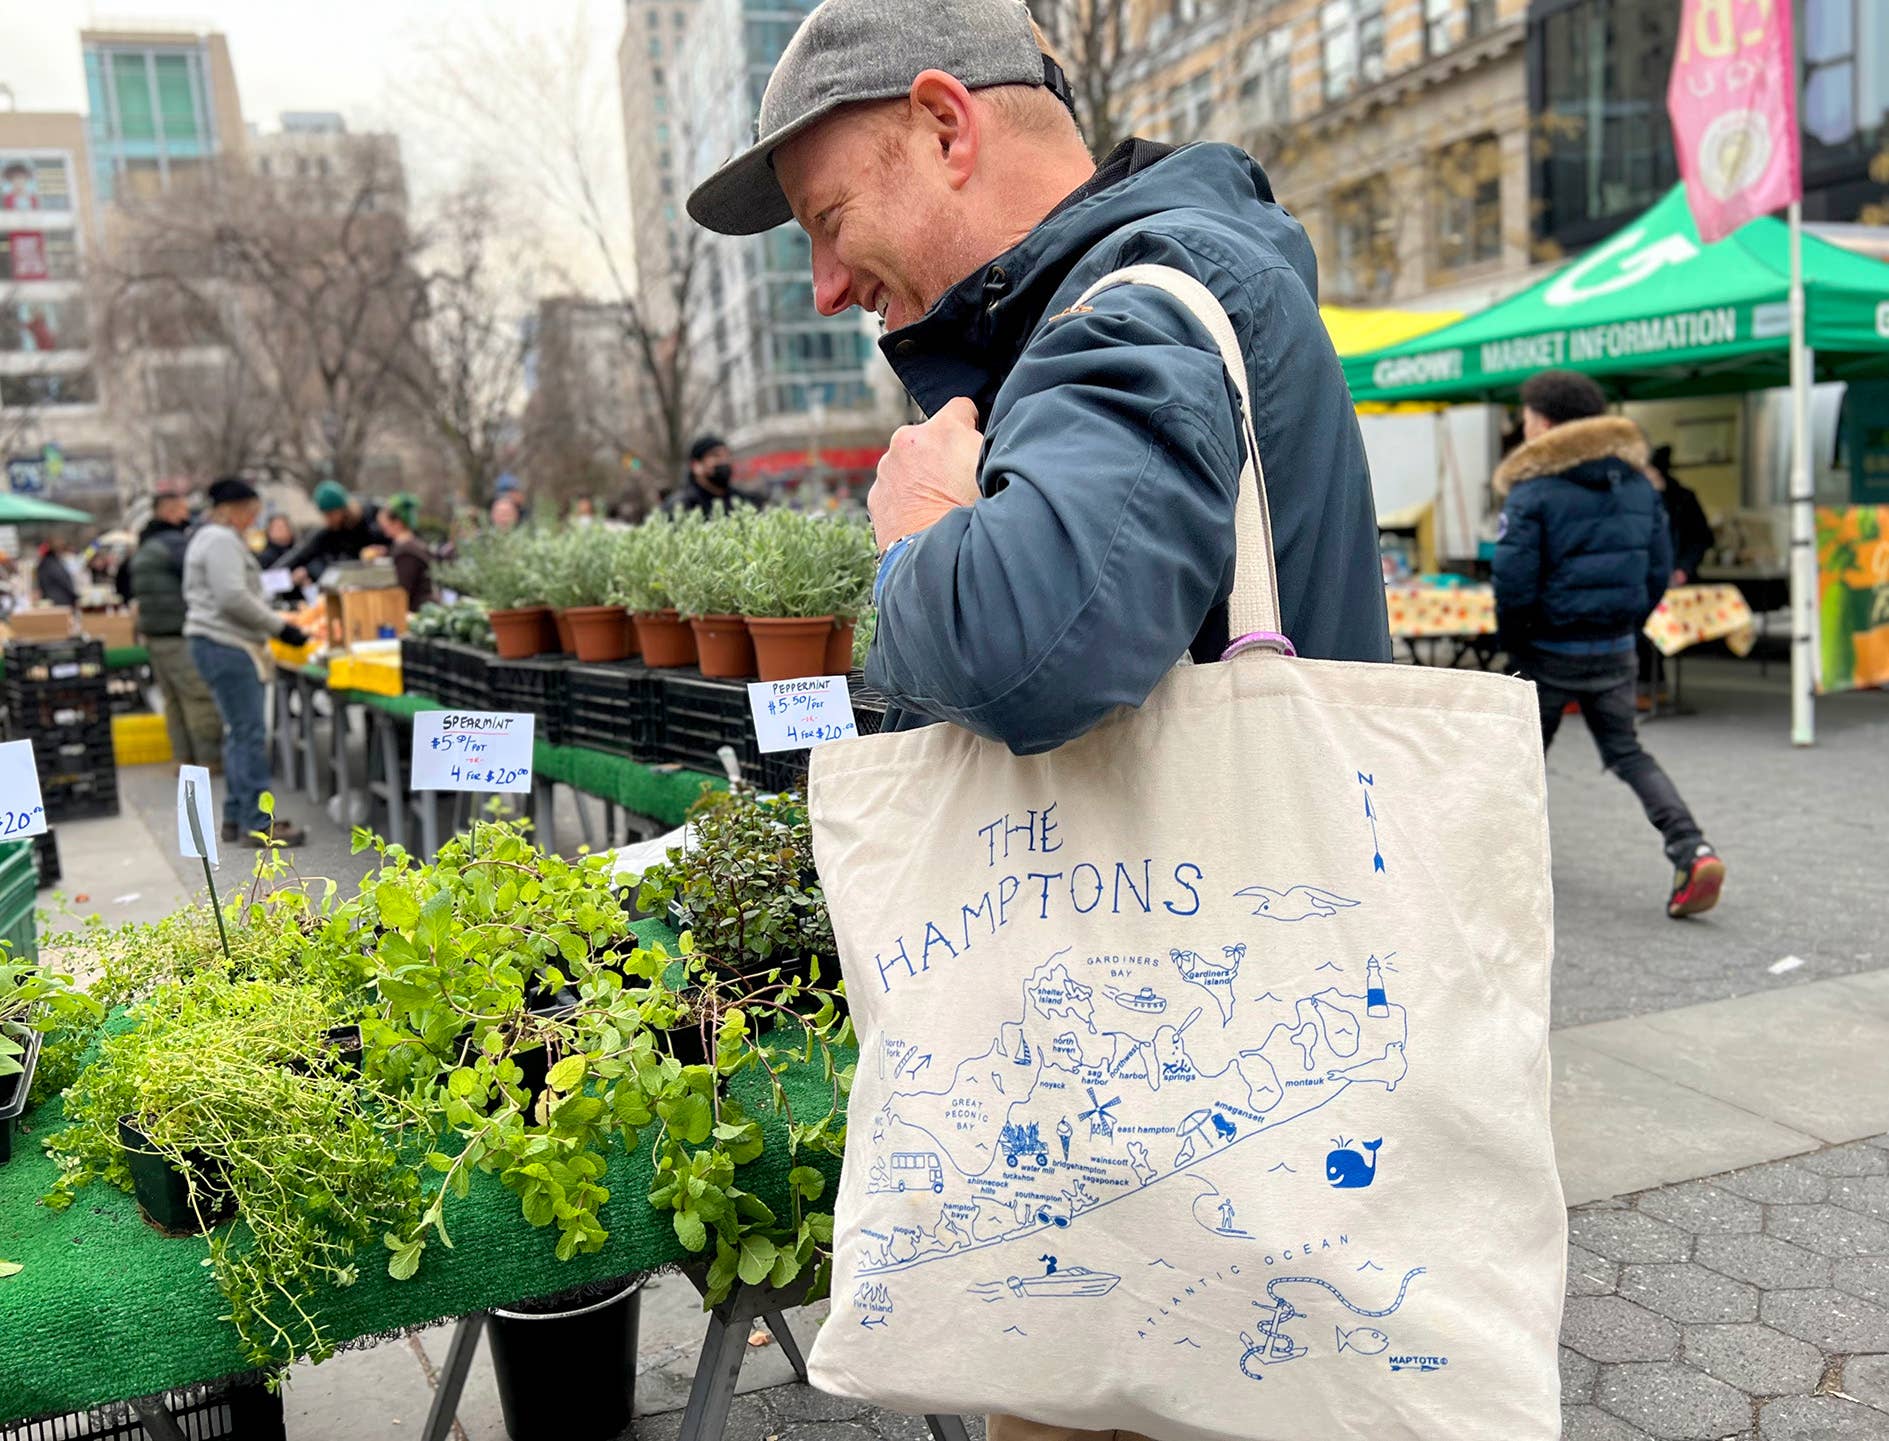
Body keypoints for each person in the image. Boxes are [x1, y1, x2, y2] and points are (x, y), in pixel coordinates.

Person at [686, 0, 1387, 769]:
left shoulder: (1142, 302)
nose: (825, 287)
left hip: (1210, 885)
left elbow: (1025, 654)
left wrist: (917, 524)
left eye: (829, 219)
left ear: (945, 128)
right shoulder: (1111, 307)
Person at [1492, 370, 1724, 919]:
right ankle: (1692, 848)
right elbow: (1657, 571)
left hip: (1546, 650)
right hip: (1615, 648)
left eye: (1526, 416)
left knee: (1516, 760)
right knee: (1627, 752)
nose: (1522, 426)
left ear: (1545, 421)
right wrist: (1625, 626)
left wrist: (1515, 644)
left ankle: (1493, 869)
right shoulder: (1638, 485)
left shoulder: (1533, 490)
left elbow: (1514, 582)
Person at [184, 477, 310, 848]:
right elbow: (232, 597)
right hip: (229, 644)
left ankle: (237, 817)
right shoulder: (221, 540)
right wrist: (279, 628)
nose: (255, 519)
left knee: (239, 733)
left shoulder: (208, 537)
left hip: (215, 642)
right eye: (252, 512)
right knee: (250, 735)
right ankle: (258, 823)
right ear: (234, 509)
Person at [128, 484, 224, 769]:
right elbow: (201, 574)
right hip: (178, 633)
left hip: (155, 634)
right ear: (169, 512)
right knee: (198, 697)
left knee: (173, 702)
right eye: (182, 509)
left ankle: (183, 759)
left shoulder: (145, 544)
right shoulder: (174, 543)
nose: (188, 515)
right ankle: (208, 760)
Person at [279, 480, 389, 586]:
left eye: (331, 514)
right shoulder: (328, 532)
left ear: (343, 509)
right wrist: (273, 575)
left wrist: (385, 550)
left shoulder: (371, 516)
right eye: (325, 515)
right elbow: (300, 554)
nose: (328, 519)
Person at [1648, 444, 1715, 587]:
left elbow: (1701, 538)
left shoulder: (1683, 499)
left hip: (1680, 581)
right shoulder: (1632, 502)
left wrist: (1684, 569)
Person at [665, 436, 760, 516]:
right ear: (696, 466)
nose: (724, 461)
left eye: (727, 456)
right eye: (716, 456)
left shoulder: (745, 500)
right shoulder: (681, 506)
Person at [379, 493, 435, 610]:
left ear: (398, 523)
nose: (383, 530)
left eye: (385, 525)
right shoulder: (411, 545)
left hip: (417, 614)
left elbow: (401, 591)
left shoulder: (406, 552)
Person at [34, 538, 78, 608]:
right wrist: (75, 596)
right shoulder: (53, 564)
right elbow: (64, 581)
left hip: (51, 600)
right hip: (61, 602)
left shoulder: (44, 563)